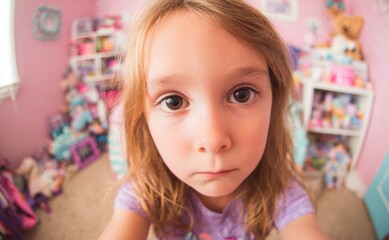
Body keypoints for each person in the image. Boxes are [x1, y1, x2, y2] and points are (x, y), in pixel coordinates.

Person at [99, 0, 328, 239]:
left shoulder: (282, 189)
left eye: (242, 95)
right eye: (173, 102)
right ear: (144, 118)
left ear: (275, 100)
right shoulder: (146, 189)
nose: (213, 140)